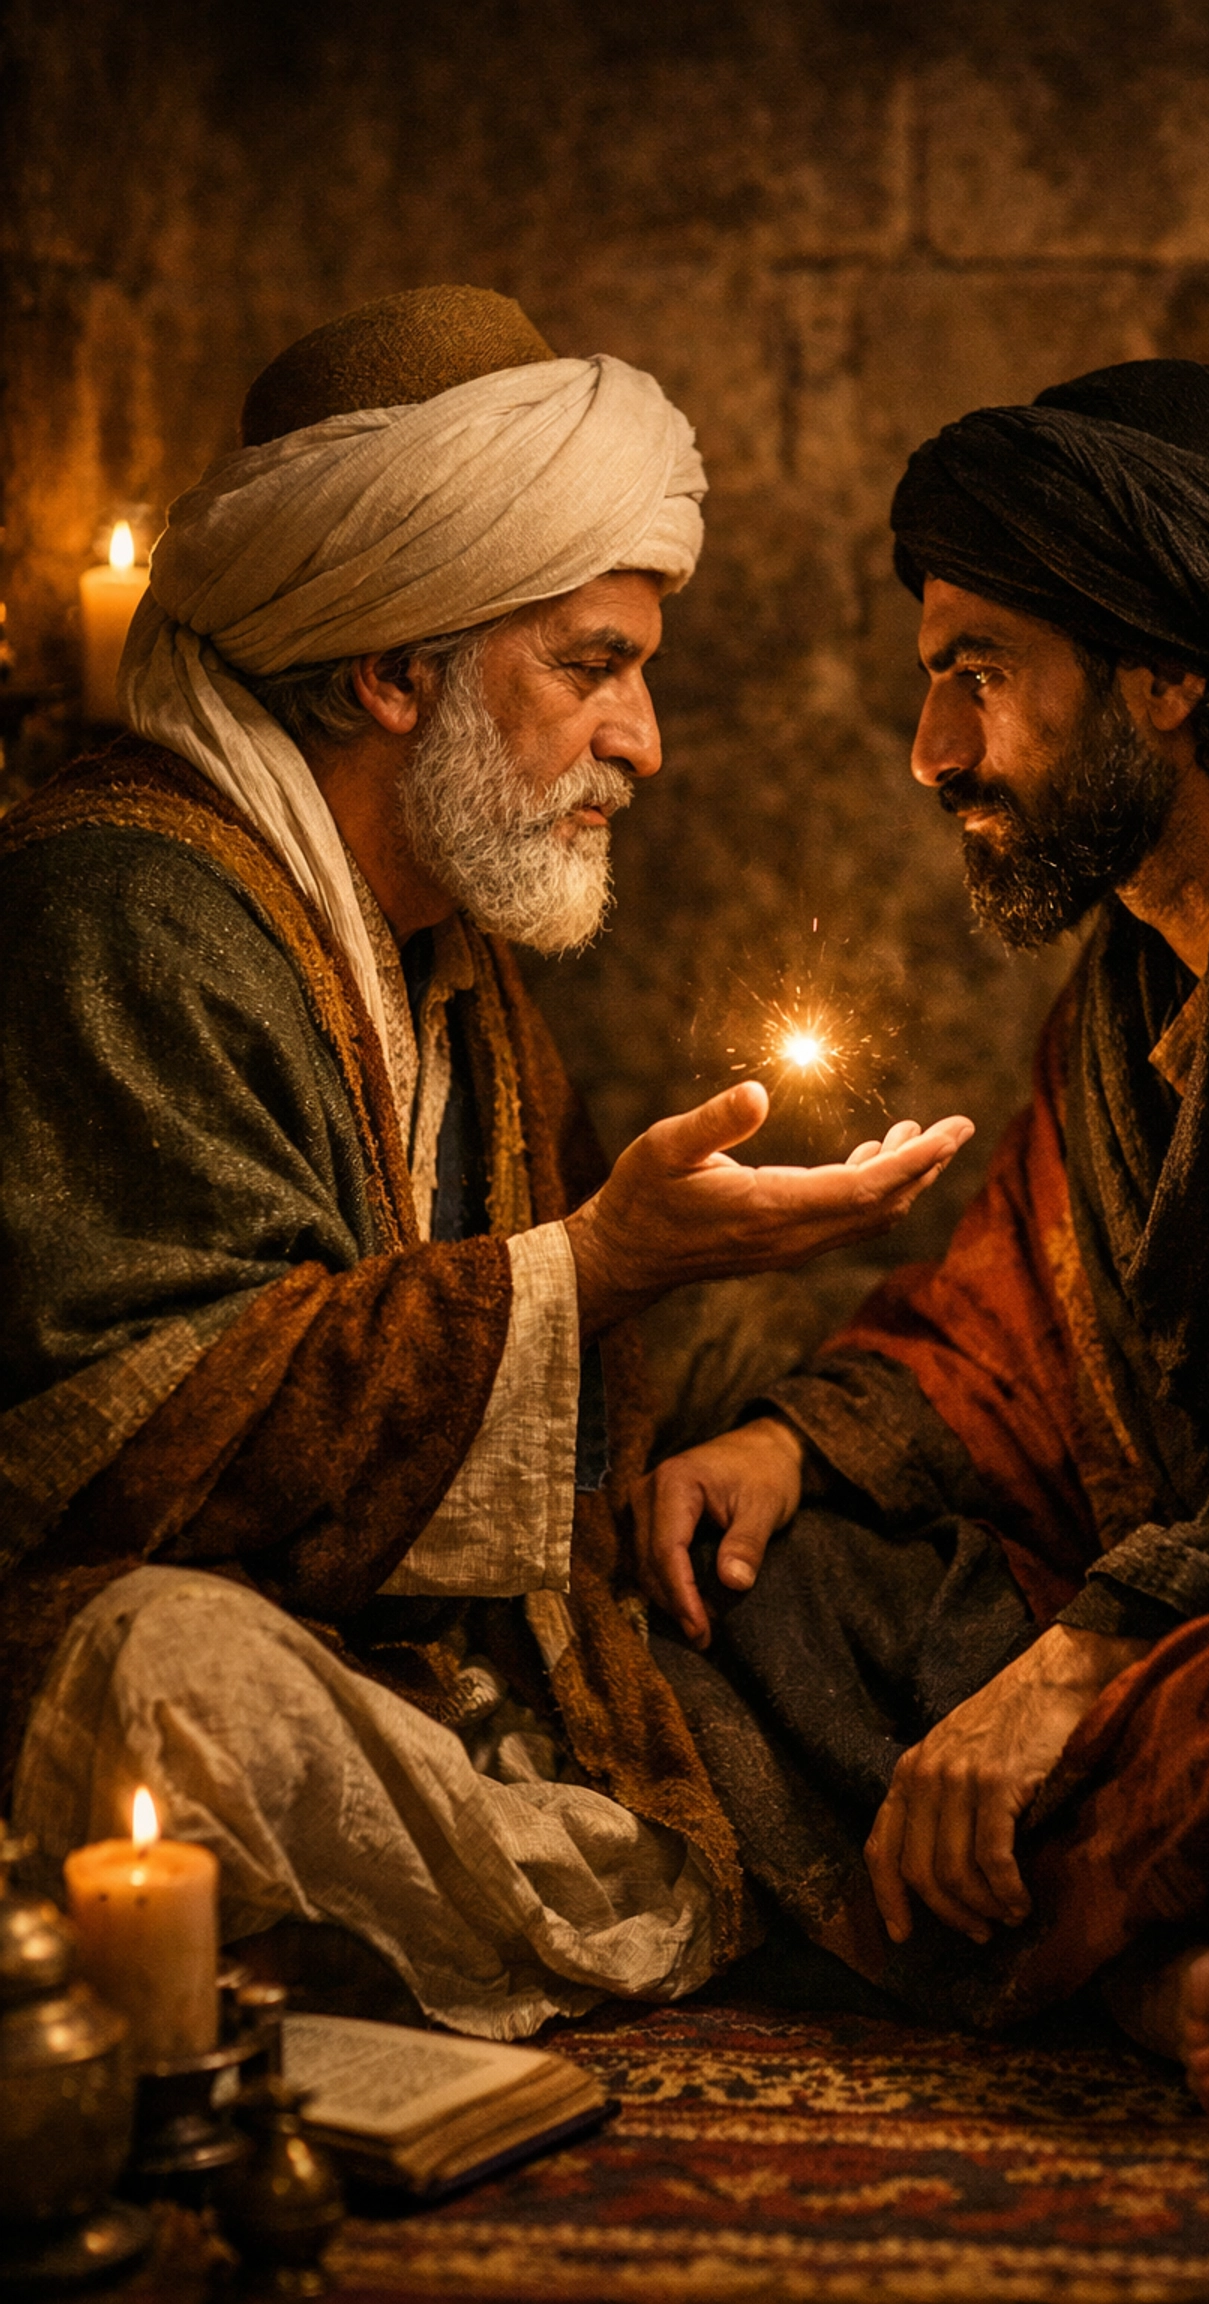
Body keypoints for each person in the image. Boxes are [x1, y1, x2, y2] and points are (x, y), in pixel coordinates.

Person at [0, 285, 971, 2038]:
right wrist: (596, 1267)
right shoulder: (123, 905)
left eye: (638, 672)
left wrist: (775, 1394)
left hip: (420, 1626)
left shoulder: (445, 934)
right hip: (169, 1629)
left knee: (859, 1451)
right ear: (391, 673)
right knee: (176, 1684)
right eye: (591, 668)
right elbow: (144, 1442)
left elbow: (576, 1365)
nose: (643, 741)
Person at [637, 358, 1209, 2113]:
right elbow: (1011, 1350)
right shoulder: (1132, 989)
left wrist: (1085, 1658)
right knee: (756, 1569)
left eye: (978, 675)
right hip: (1200, 1598)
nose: (933, 754)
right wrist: (787, 1445)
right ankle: (1141, 1942)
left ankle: (1068, 1923)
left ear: (1168, 670)